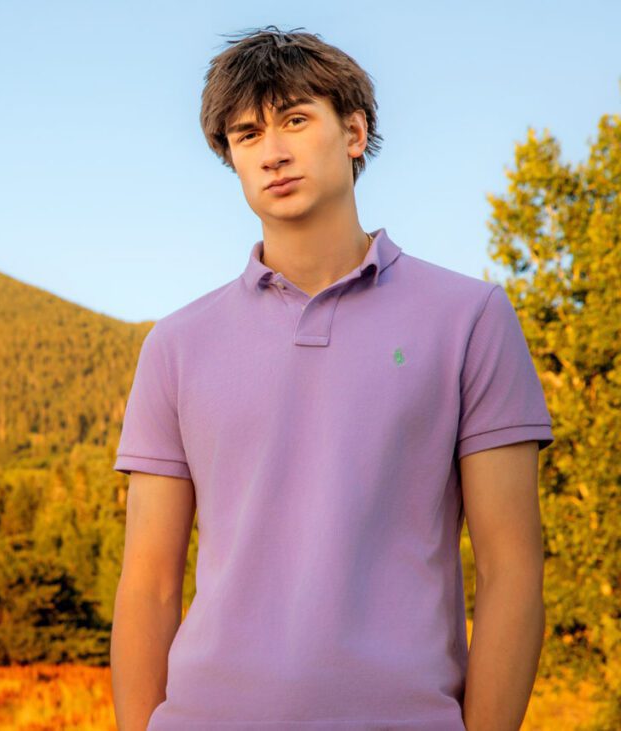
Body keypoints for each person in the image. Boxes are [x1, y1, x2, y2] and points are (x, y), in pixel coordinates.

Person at [110, 25, 554, 731]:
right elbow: (149, 584)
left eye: (295, 119)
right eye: (247, 134)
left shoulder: (469, 317)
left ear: (353, 131)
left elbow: (512, 571)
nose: (272, 152)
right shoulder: (176, 344)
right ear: (231, 157)